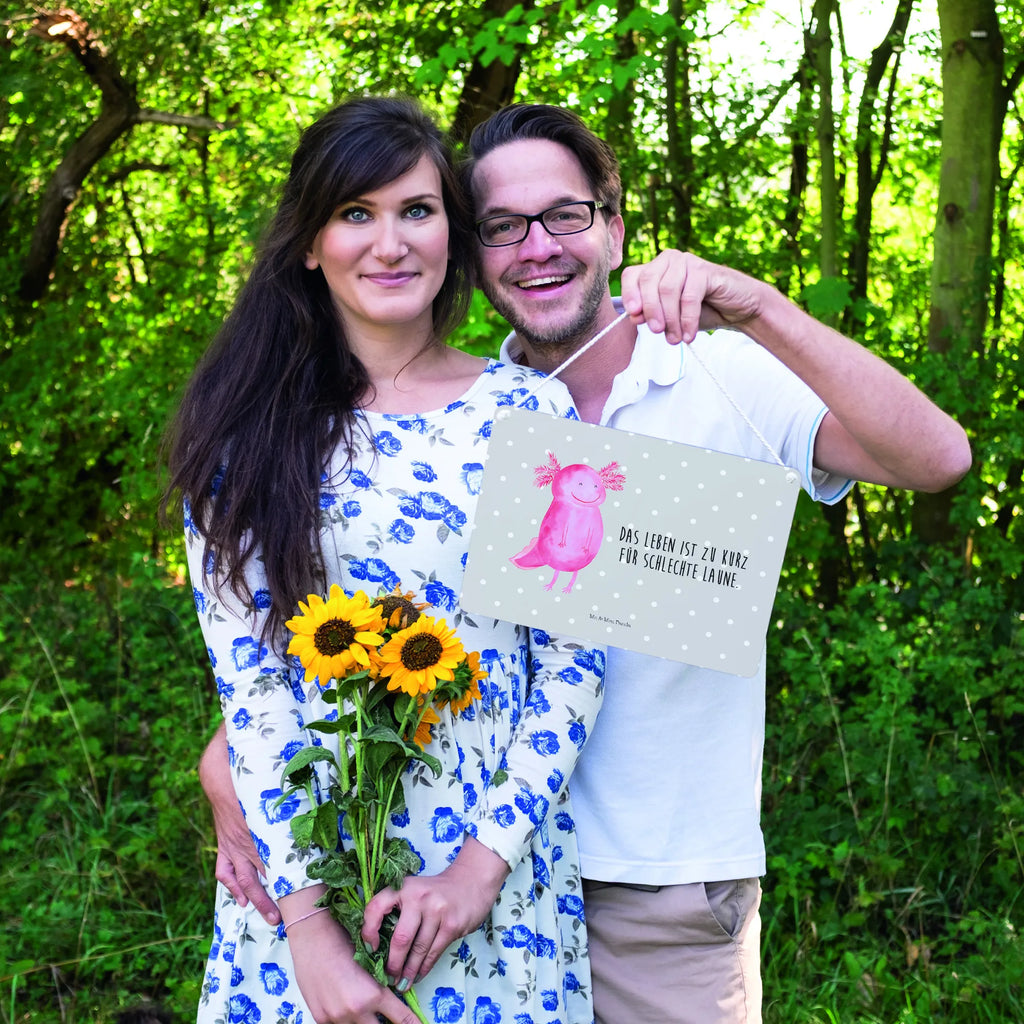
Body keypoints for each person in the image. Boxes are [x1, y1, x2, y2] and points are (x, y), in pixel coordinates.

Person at [201, 102, 972, 1024]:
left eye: (564, 215)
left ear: (612, 226)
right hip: (432, 877)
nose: (537, 247)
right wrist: (234, 768)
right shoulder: (466, 416)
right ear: (474, 251)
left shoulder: (711, 373)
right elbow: (336, 633)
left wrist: (760, 306)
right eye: (502, 227)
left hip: (654, 887)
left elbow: (938, 461)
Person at [165, 96, 612, 1024]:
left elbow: (575, 663)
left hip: (493, 889)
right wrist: (312, 936)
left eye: (417, 210)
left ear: (452, 228)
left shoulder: (533, 412)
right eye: (355, 214)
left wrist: (478, 873)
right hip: (304, 885)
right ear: (308, 243)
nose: (390, 242)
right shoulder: (242, 437)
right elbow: (250, 693)